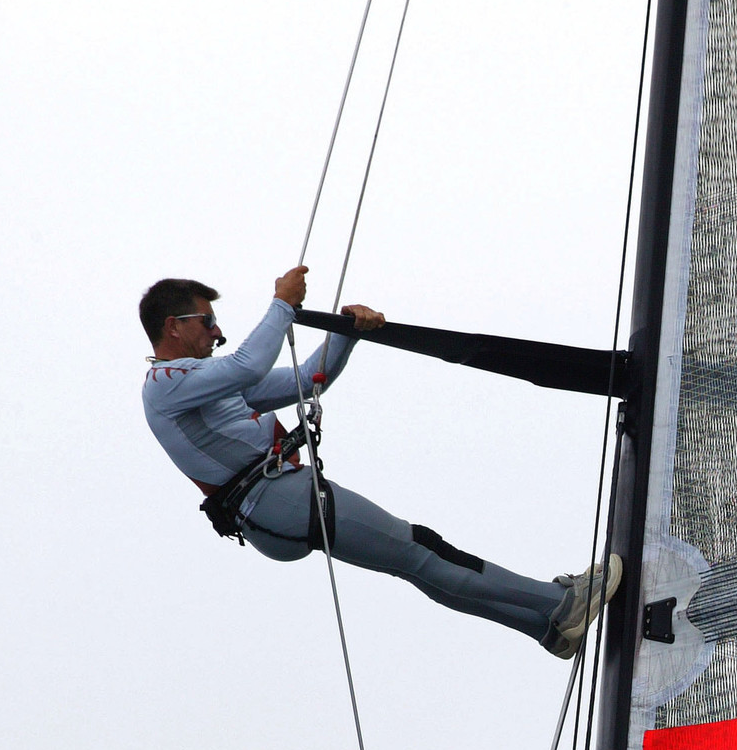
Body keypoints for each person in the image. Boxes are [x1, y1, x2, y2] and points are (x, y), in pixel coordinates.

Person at [139, 266, 619, 656]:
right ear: (173, 326)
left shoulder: (205, 383)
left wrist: (347, 333)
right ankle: (560, 603)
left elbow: (306, 380)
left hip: (272, 510)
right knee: (421, 549)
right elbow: (248, 364)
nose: (217, 332)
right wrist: (282, 303)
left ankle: (545, 627)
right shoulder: (165, 384)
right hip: (275, 499)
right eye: (207, 321)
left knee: (415, 565)